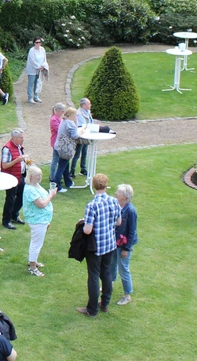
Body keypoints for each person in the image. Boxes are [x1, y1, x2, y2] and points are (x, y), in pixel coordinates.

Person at [77, 173, 119, 317]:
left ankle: (92, 309)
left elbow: (87, 230)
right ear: (106, 185)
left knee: (94, 276)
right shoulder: (114, 201)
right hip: (110, 244)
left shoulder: (92, 205)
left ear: (94, 186)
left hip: (96, 247)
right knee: (106, 273)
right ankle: (105, 304)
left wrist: (81, 224)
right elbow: (118, 222)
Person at [22, 164, 56, 276]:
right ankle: (32, 267)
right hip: (37, 220)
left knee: (37, 243)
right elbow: (41, 204)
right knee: (36, 244)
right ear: (31, 176)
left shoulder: (36, 185)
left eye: (41, 175)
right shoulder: (30, 190)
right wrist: (51, 195)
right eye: (37, 175)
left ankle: (33, 261)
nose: (40, 177)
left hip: (42, 219)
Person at [113, 183, 138, 305]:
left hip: (123, 245)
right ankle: (109, 285)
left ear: (125, 197)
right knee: (112, 265)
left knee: (123, 269)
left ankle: (127, 295)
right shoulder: (117, 205)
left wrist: (127, 249)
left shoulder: (131, 211)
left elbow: (132, 232)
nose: (115, 193)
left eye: (118, 192)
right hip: (114, 243)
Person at [0, 129, 28, 230]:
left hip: (20, 176)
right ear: (14, 138)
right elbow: (5, 165)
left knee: (22, 196)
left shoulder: (19, 146)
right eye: (21, 137)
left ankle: (14, 215)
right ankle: (6, 220)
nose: (23, 139)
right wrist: (17, 160)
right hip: (11, 178)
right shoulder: (7, 148)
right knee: (10, 199)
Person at [53, 107, 79, 192]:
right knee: (61, 167)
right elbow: (75, 136)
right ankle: (57, 186)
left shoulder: (63, 121)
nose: (76, 117)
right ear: (71, 115)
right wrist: (80, 132)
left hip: (58, 146)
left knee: (65, 166)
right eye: (75, 115)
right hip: (65, 149)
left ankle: (68, 183)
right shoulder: (70, 123)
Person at [71, 98, 94, 179]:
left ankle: (83, 169)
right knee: (77, 153)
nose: (90, 105)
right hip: (81, 136)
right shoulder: (79, 113)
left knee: (84, 153)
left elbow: (90, 122)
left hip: (87, 135)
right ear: (83, 105)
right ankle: (72, 170)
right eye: (88, 104)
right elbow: (81, 125)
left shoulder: (87, 112)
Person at [25, 38, 48, 104]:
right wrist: (38, 66)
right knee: (31, 83)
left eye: (39, 42)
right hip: (32, 69)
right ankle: (30, 98)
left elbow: (44, 59)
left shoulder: (42, 49)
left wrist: (43, 66)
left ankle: (36, 96)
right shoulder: (31, 50)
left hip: (40, 69)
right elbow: (32, 60)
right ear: (34, 43)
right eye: (36, 42)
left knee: (37, 82)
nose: (38, 44)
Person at [49, 103, 66, 184]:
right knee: (55, 160)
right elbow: (60, 130)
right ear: (58, 111)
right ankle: (52, 177)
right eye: (63, 111)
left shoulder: (59, 118)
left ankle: (57, 175)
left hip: (59, 142)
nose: (64, 112)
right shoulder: (54, 119)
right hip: (56, 142)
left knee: (58, 160)